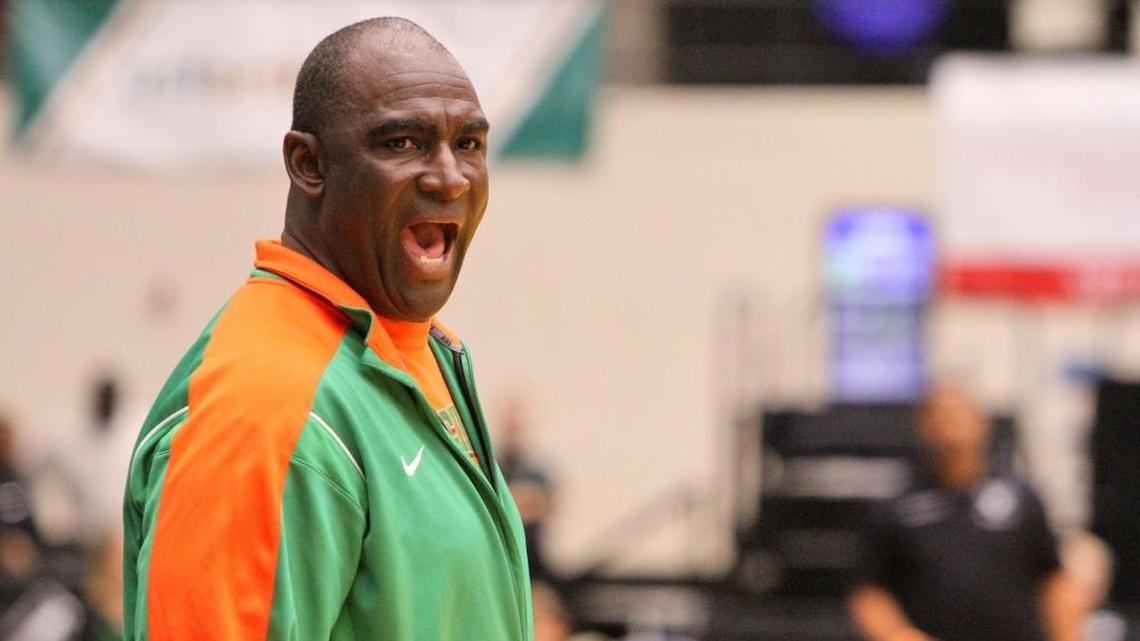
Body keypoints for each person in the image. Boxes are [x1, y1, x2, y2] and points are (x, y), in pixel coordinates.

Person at [122, 17, 531, 641]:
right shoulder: (265, 406)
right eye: (402, 143)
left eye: (469, 144)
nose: (449, 177)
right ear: (308, 164)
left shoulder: (408, 350)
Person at [848, 384, 1081, 641]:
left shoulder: (1021, 500)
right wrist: (897, 634)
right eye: (939, 416)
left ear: (981, 422)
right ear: (923, 426)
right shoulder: (896, 507)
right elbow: (869, 592)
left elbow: (1055, 580)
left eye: (958, 415)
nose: (950, 428)